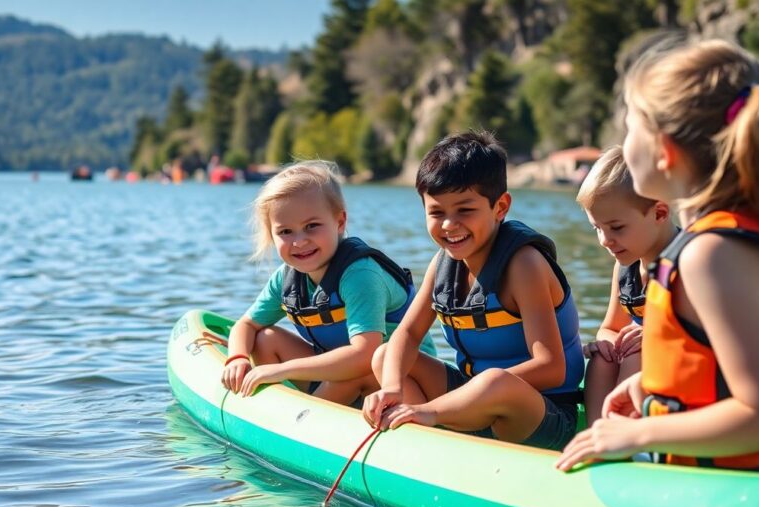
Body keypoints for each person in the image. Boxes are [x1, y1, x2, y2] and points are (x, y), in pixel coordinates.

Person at [557, 39, 759, 475]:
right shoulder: (751, 236)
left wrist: (636, 434)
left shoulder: (712, 256)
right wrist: (650, 383)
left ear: (664, 151)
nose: (623, 145)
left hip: (734, 493)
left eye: (630, 131)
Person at [361, 131, 585, 450]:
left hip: (540, 414)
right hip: (471, 403)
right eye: (437, 213)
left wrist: (437, 408)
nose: (450, 225)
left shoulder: (524, 265)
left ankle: (425, 421)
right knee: (386, 357)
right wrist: (392, 388)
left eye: (465, 210)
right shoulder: (444, 265)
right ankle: (420, 443)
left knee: (497, 380)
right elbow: (408, 335)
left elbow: (551, 367)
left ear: (500, 207)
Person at [221, 160, 436, 405]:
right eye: (285, 232)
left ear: (340, 222)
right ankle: (279, 408)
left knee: (351, 371)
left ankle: (302, 426)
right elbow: (245, 325)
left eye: (312, 226)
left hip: (405, 383)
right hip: (341, 377)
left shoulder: (360, 276)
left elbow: (364, 356)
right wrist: (237, 358)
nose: (299, 241)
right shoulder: (286, 278)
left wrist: (284, 370)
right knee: (265, 338)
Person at [576, 146, 678, 426]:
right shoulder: (625, 265)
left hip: (675, 371)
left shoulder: (686, 264)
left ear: (659, 213)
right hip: (640, 361)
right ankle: (597, 430)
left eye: (616, 228)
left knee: (635, 354)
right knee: (601, 358)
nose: (605, 240)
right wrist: (609, 344)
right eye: (597, 228)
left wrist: (651, 336)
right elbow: (610, 326)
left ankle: (623, 433)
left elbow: (705, 335)